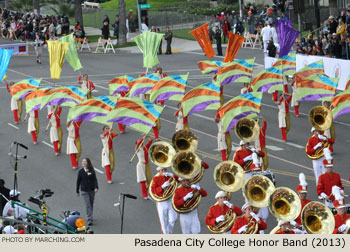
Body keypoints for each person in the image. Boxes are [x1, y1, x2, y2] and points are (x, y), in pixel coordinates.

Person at [150, 167, 178, 234]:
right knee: (163, 222)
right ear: (159, 171)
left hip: (170, 200)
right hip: (161, 202)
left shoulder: (169, 177)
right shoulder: (156, 179)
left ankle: (169, 230)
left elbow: (179, 179)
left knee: (174, 218)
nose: (163, 171)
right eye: (162, 170)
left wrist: (173, 176)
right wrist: (162, 187)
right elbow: (153, 191)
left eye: (165, 169)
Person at [76, 158, 98, 226]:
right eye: (82, 161)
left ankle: (90, 214)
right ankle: (89, 219)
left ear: (88, 163)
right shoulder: (80, 171)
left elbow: (95, 179)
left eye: (85, 161)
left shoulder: (91, 170)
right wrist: (77, 190)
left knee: (91, 203)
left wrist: (96, 187)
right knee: (87, 204)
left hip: (91, 190)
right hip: (84, 190)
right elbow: (78, 181)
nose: (83, 162)